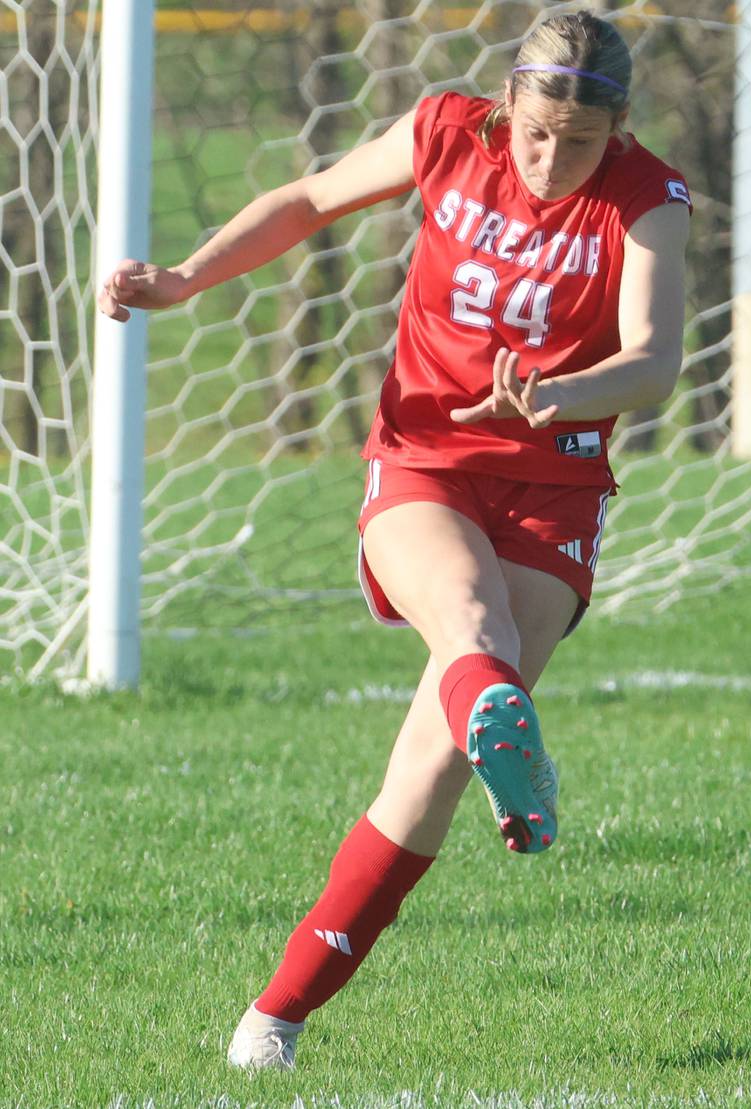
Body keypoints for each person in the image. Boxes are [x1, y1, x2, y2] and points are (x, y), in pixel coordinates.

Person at [97, 11, 690, 1069]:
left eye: (582, 142)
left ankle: (272, 1020)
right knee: (472, 627)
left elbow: (652, 361)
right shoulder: (444, 133)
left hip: (556, 487)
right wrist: (185, 278)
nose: (553, 159)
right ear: (506, 105)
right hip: (425, 460)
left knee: (428, 771)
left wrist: (557, 397)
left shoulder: (650, 200)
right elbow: (309, 200)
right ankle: (509, 732)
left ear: (623, 128)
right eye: (537, 133)